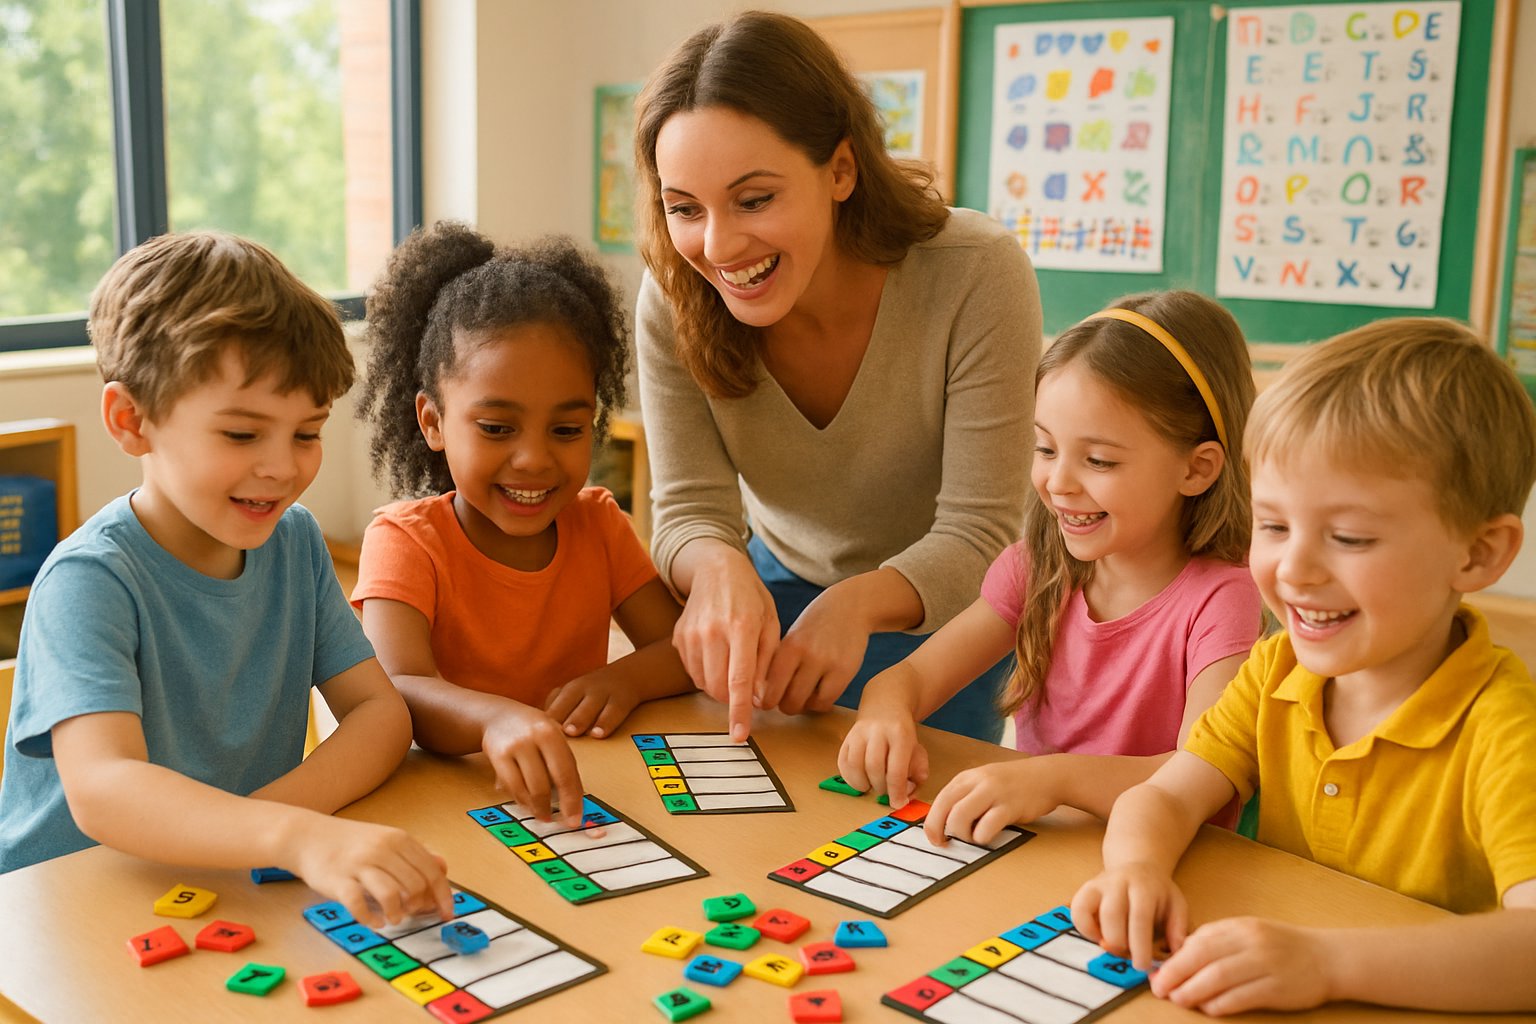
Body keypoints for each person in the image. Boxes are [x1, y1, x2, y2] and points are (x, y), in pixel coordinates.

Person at [1072, 319, 1536, 1015]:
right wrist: (1136, 868)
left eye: (1349, 536)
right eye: (1275, 525)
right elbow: (1164, 796)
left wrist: (1326, 963)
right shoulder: (1276, 670)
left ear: (1476, 555)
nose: (1294, 569)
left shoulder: (1506, 729)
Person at [0, 232, 452, 928]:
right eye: (242, 435)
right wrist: (293, 835)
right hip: (76, 911)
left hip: (226, 889)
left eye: (306, 433)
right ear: (132, 421)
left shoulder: (296, 542)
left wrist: (274, 823)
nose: (282, 467)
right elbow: (105, 788)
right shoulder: (89, 581)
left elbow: (378, 713)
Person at [633, 11, 1042, 743]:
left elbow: (983, 532)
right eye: (684, 209)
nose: (718, 245)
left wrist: (855, 605)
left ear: (841, 171)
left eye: (754, 199)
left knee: (918, 838)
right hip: (775, 590)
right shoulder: (672, 296)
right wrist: (719, 568)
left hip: (943, 611)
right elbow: (687, 510)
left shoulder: (976, 271)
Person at [840, 291, 1263, 840]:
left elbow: (1200, 772)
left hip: (1171, 866)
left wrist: (1053, 780)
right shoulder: (1037, 568)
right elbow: (912, 677)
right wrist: (884, 712)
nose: (1058, 483)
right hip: (1045, 852)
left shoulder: (1224, 600)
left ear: (1197, 469)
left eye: (1099, 460)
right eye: (1045, 449)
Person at [353, 222, 692, 828]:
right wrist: (495, 719)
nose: (535, 459)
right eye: (497, 428)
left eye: (565, 430)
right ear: (433, 422)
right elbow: (395, 687)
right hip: (447, 801)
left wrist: (627, 679)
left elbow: (682, 650)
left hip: (575, 799)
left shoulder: (599, 525)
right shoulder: (404, 542)